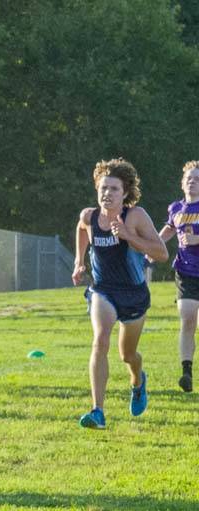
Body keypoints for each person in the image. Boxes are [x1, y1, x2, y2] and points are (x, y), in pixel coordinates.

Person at [72, 158, 167, 429]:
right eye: (103, 188)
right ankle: (97, 412)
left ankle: (138, 381)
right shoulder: (89, 216)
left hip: (134, 294)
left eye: (114, 189)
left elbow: (161, 253)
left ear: (125, 193)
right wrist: (79, 261)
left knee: (128, 356)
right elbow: (81, 230)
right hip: (103, 291)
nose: (107, 194)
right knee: (100, 340)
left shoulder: (135, 216)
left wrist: (128, 236)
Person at [153, 160, 199, 392]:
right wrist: (153, 247)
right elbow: (169, 229)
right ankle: (186, 373)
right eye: (188, 178)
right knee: (188, 317)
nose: (192, 182)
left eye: (197, 179)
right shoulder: (176, 209)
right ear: (182, 183)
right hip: (186, 271)